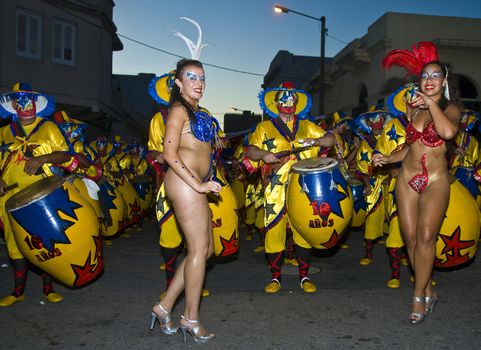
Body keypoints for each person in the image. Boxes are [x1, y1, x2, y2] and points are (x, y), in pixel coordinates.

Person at [373, 42, 461, 324]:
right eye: (425, 76)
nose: (429, 80)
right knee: (410, 240)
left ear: (444, 82)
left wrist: (432, 102)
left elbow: (447, 133)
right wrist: (386, 158)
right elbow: (410, 148)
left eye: (435, 76)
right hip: (407, 180)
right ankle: (429, 287)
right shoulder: (414, 112)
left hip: (436, 181)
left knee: (426, 238)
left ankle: (418, 296)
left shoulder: (452, 109)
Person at [149, 59, 220, 343]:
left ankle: (164, 305)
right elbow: (168, 152)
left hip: (193, 183)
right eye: (191, 77)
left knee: (205, 251)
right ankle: (190, 318)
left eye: (202, 77)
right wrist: (198, 184)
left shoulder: (198, 112)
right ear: (178, 83)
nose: (198, 82)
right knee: (197, 249)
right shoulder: (178, 110)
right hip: (185, 183)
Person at [245, 82, 335, 294]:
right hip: (275, 188)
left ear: (297, 103)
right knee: (274, 232)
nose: (287, 103)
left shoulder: (307, 125)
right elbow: (250, 150)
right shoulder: (263, 127)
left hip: (303, 187)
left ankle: (304, 276)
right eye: (283, 100)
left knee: (303, 229)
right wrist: (262, 155)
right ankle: (276, 278)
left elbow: (331, 139)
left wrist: (317, 140)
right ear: (275, 103)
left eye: (291, 100)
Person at [0, 83, 75, 307]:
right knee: (14, 244)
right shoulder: (4, 132)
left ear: (36, 103)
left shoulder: (49, 128)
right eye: (20, 101)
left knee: (44, 241)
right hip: (10, 197)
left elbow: (66, 156)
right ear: (13, 105)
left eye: (29, 100)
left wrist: (43, 158)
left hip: (43, 195)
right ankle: (17, 292)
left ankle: (48, 289)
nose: (25, 105)